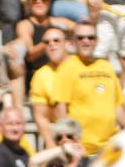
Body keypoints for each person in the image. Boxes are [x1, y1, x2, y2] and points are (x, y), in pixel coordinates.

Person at [52, 22, 125, 159]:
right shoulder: (67, 68)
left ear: (97, 41)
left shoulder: (106, 66)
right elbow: (60, 109)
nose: (86, 41)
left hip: (110, 149)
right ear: (73, 41)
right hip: (83, 151)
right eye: (81, 38)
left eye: (90, 38)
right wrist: (69, 143)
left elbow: (118, 107)